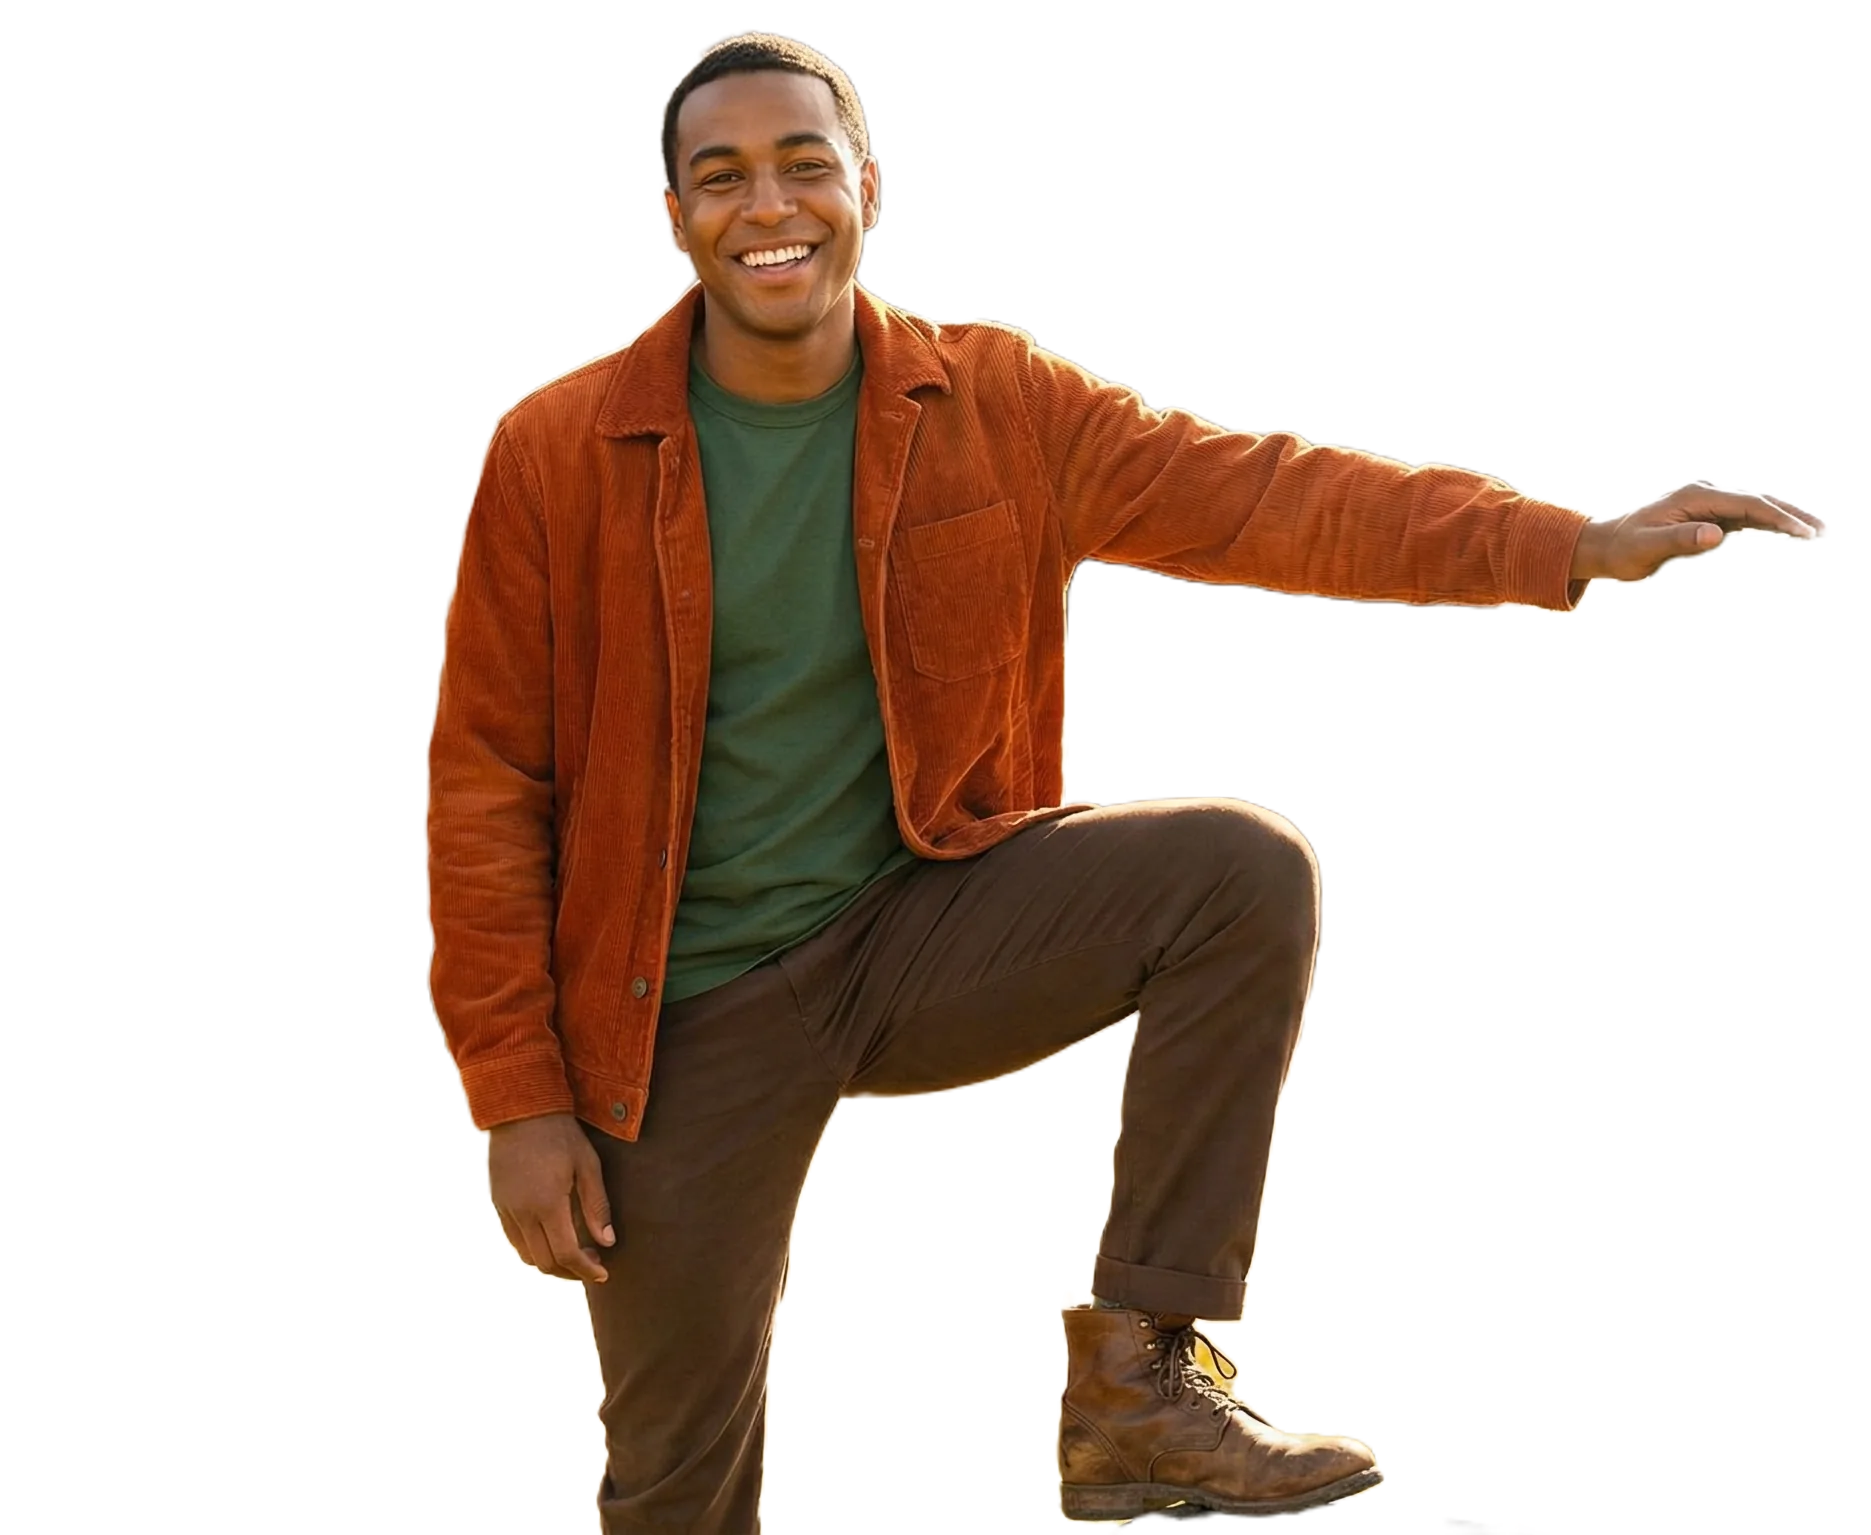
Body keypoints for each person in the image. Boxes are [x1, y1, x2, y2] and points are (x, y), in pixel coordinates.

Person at [422, 31, 1833, 1534]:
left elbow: (1263, 495)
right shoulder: (558, 450)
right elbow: (487, 784)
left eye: (802, 166)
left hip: (918, 922)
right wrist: (521, 1100)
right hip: (677, 1011)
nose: (769, 206)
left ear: (866, 189)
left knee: (1233, 871)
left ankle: (1136, 1386)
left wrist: (1569, 538)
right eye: (722, 178)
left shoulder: (992, 401)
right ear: (674, 216)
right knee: (672, 1481)